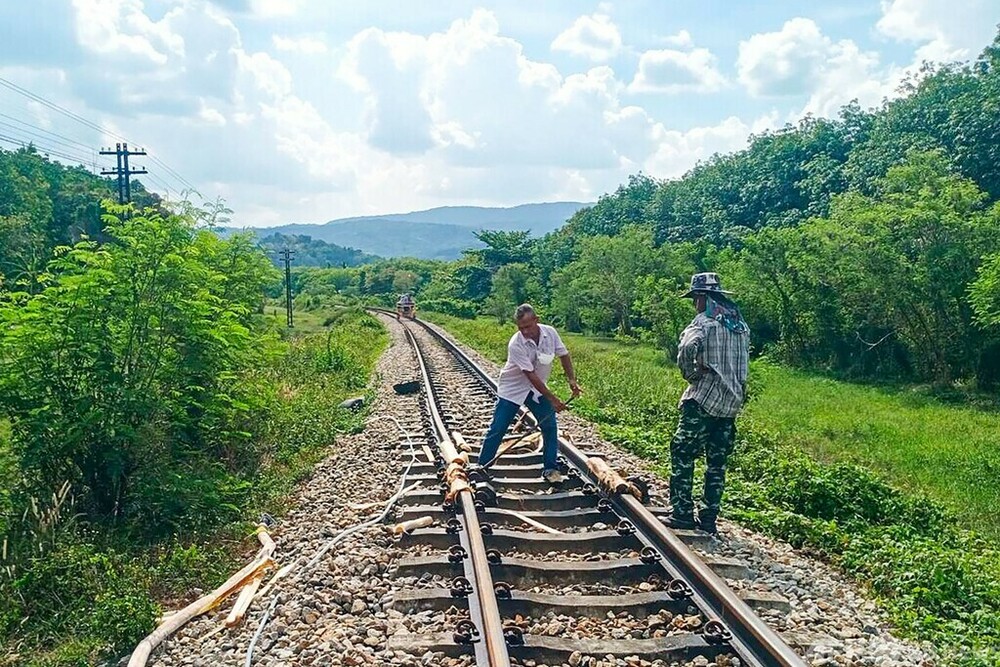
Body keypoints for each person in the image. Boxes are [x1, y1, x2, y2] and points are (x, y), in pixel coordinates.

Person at [663, 272, 750, 535]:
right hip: (730, 404)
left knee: (682, 453)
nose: (694, 304)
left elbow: (688, 347)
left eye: (695, 299)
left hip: (702, 399)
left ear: (702, 297)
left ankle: (682, 513)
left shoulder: (703, 323)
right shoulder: (740, 326)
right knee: (717, 462)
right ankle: (709, 517)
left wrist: (691, 373)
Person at [477, 304, 582, 483]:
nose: (525, 331)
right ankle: (482, 467)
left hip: (536, 390)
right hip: (513, 388)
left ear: (536, 320)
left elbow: (564, 355)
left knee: (549, 427)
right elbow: (530, 375)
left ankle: (551, 469)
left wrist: (572, 380)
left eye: (528, 326)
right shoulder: (516, 344)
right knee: (499, 427)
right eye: (521, 328)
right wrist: (553, 399)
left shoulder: (551, 334)